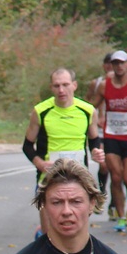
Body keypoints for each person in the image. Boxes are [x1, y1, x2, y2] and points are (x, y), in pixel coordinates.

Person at [22, 68, 105, 238]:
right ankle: (43, 235)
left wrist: (97, 152)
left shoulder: (88, 111)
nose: (61, 90)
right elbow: (27, 146)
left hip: (79, 179)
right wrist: (40, 163)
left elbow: (94, 140)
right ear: (51, 88)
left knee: (75, 234)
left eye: (65, 85)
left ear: (74, 85)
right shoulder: (40, 111)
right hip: (48, 178)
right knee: (50, 237)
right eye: (57, 85)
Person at [89, 50, 127, 232]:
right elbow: (91, 106)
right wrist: (89, 117)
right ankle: (121, 217)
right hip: (111, 136)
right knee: (116, 176)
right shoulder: (104, 86)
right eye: (116, 63)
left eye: (122, 63)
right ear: (111, 65)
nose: (119, 66)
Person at [88, 53, 115, 220]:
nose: (111, 67)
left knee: (118, 171)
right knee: (104, 165)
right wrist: (95, 117)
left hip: (117, 130)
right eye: (108, 64)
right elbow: (88, 103)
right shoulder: (96, 83)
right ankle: (102, 193)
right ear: (104, 66)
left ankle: (114, 204)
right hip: (101, 129)